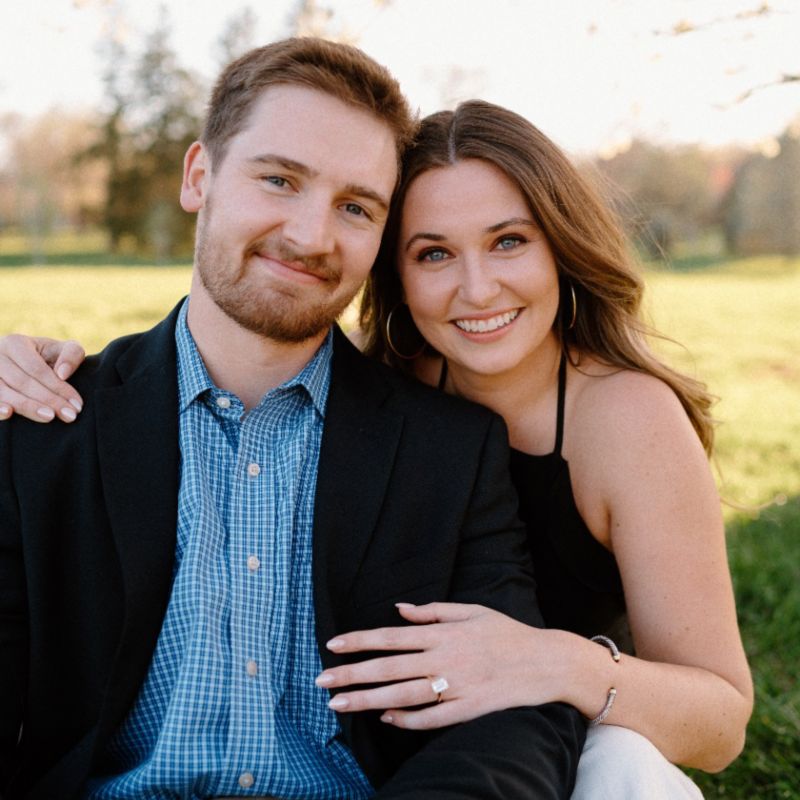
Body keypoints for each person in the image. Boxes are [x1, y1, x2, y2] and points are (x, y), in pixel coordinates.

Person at [0, 94, 752, 800]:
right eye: (433, 254)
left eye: (509, 241)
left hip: (577, 705)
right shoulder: (385, 386)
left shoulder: (625, 418)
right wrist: (29, 367)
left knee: (621, 765)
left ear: (560, 245)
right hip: (452, 720)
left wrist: (556, 659)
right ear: (392, 268)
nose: (477, 289)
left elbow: (721, 723)